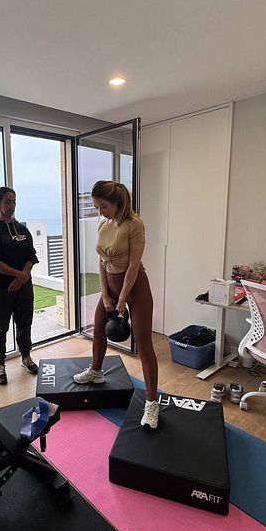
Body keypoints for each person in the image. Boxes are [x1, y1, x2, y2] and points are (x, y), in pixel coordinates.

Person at [73, 180, 160, 429]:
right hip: (110, 285)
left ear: (118, 203)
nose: (100, 211)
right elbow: (102, 261)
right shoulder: (104, 224)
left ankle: (152, 403)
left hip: (135, 287)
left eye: (104, 206)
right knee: (98, 329)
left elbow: (133, 266)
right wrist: (105, 293)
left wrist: (122, 298)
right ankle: (96, 371)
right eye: (97, 206)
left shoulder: (135, 225)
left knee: (143, 344)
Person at [0, 186, 39, 384]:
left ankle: (26, 357)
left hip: (23, 287)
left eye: (13, 201)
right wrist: (17, 275)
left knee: (24, 323)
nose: (11, 205)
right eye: (7, 202)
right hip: (1, 289)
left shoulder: (22, 229)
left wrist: (22, 277)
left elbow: (31, 256)